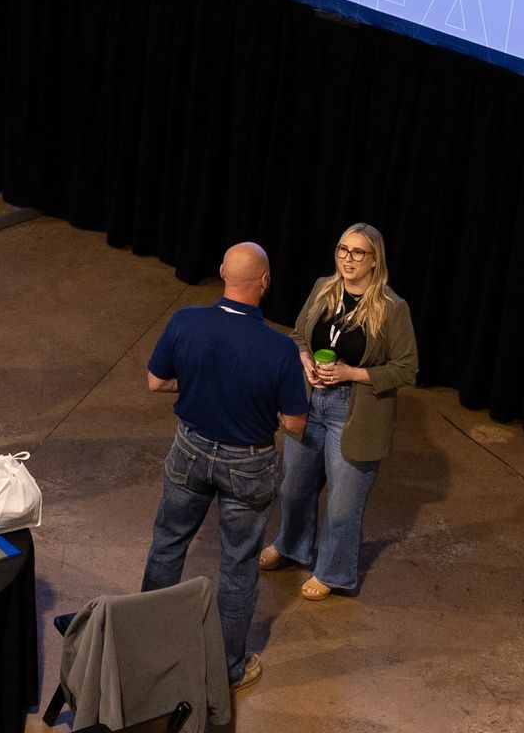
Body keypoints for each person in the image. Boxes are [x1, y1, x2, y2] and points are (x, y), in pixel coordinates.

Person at [141, 242, 308, 694]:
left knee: (167, 546)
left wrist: (197, 382)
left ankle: (144, 650)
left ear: (221, 273)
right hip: (248, 465)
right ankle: (227, 670)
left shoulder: (186, 321)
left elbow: (156, 381)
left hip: (190, 451)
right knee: (237, 568)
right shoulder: (279, 348)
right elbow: (294, 424)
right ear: (265, 282)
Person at [260, 223, 419, 599]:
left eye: (358, 252)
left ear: (375, 259)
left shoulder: (392, 308)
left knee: (343, 505)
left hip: (354, 411)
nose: (348, 259)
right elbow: (299, 334)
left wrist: (351, 373)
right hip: (311, 399)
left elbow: (406, 368)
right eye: (343, 250)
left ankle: (332, 572)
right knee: (295, 486)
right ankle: (291, 545)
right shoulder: (323, 288)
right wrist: (305, 361)